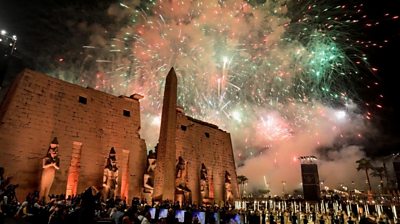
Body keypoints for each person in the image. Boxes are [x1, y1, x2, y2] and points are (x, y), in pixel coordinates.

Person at [39, 137, 60, 202]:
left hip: (51, 174)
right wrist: (51, 164)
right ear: (50, 152)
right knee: (43, 187)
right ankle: (40, 199)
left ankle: (45, 199)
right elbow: (44, 166)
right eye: (54, 153)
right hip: (46, 173)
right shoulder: (46, 158)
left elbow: (58, 167)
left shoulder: (57, 159)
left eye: (56, 153)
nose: (55, 154)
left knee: (48, 188)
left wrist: (54, 165)